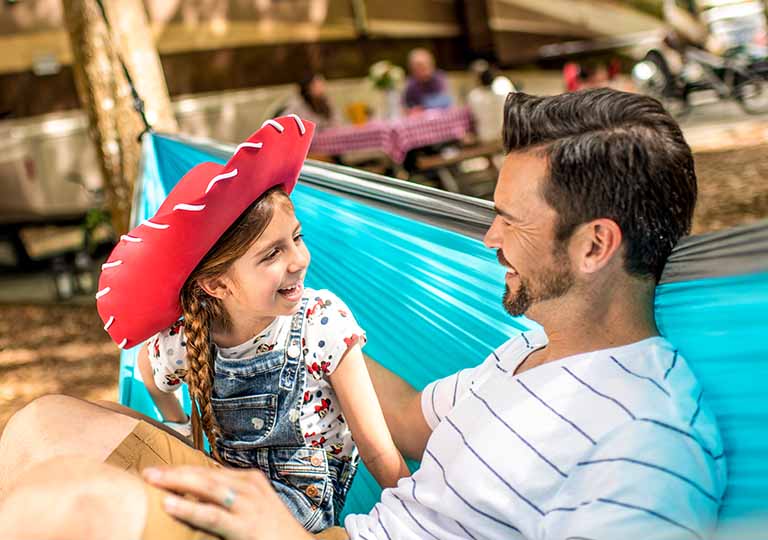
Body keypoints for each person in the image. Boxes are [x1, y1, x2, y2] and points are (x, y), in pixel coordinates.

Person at [0, 89, 727, 540]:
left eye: (511, 220)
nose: (489, 238)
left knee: (71, 509)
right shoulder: (524, 356)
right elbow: (405, 420)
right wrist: (295, 334)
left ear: (595, 245)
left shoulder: (648, 434)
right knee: (43, 426)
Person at [402, 48, 452, 114]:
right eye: (415, 66)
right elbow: (406, 104)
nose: (418, 69)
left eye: (421, 65)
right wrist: (411, 109)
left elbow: (445, 101)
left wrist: (422, 107)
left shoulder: (438, 78)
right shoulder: (411, 83)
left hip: (440, 116)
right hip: (420, 118)